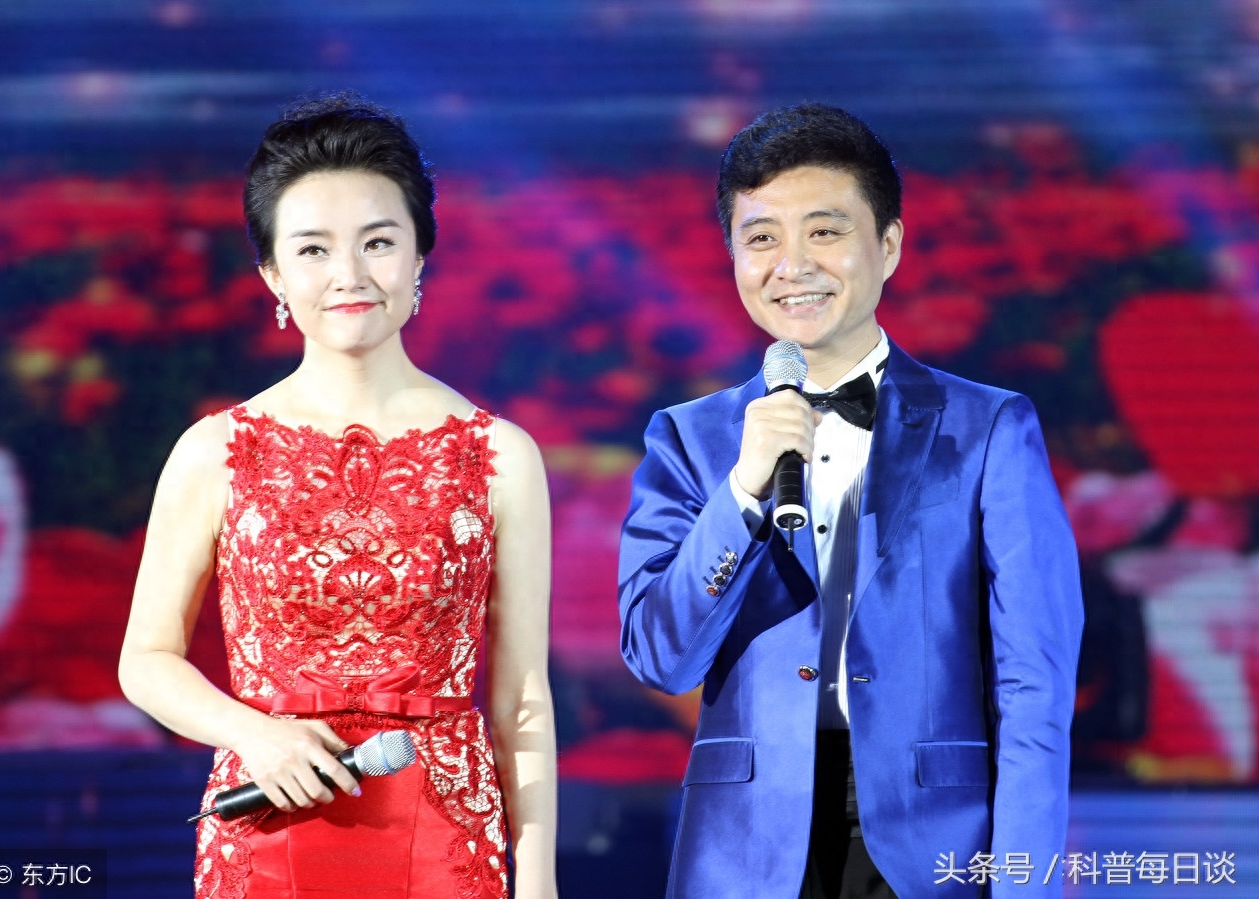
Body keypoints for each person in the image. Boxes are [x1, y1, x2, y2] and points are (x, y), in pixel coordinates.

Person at [618, 104, 1083, 898]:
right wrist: (743, 490)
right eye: (762, 238)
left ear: (888, 244)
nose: (791, 264)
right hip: (746, 852)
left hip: (932, 842)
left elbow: (1033, 686)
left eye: (825, 231)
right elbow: (662, 656)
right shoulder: (689, 439)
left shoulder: (988, 428)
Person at [119, 95, 557, 899]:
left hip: (447, 841)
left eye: (378, 242)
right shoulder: (215, 450)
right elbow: (145, 660)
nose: (350, 275)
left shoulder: (500, 455)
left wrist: (537, 881)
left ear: (420, 254)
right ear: (273, 274)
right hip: (267, 826)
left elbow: (521, 695)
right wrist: (252, 732)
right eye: (314, 249)